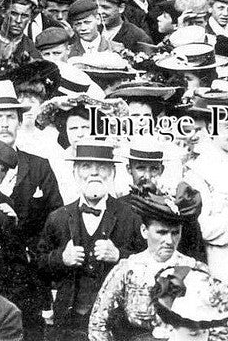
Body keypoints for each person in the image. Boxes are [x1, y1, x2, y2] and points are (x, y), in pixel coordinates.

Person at [39, 140, 144, 340]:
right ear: (75, 172)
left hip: (116, 321)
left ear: (112, 172)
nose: (94, 173)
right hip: (69, 322)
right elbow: (39, 264)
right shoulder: (58, 217)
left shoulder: (131, 216)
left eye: (102, 167)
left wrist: (119, 256)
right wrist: (62, 258)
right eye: (86, 166)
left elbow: (148, 262)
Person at [88, 183, 205, 341]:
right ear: (144, 231)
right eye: (161, 232)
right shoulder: (128, 269)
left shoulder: (194, 270)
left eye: (175, 233)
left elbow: (216, 325)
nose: (169, 240)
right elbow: (98, 323)